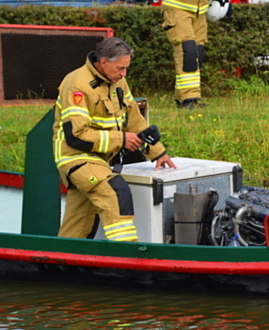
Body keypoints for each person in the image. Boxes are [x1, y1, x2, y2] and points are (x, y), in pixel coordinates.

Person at [53, 37, 177, 241]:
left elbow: (134, 119)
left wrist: (158, 153)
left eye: (126, 68)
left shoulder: (116, 80)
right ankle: (126, 256)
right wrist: (120, 140)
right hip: (77, 158)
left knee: (77, 225)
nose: (124, 74)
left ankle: (60, 263)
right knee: (115, 192)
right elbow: (76, 136)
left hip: (102, 160)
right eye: (120, 68)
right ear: (103, 62)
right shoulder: (76, 84)